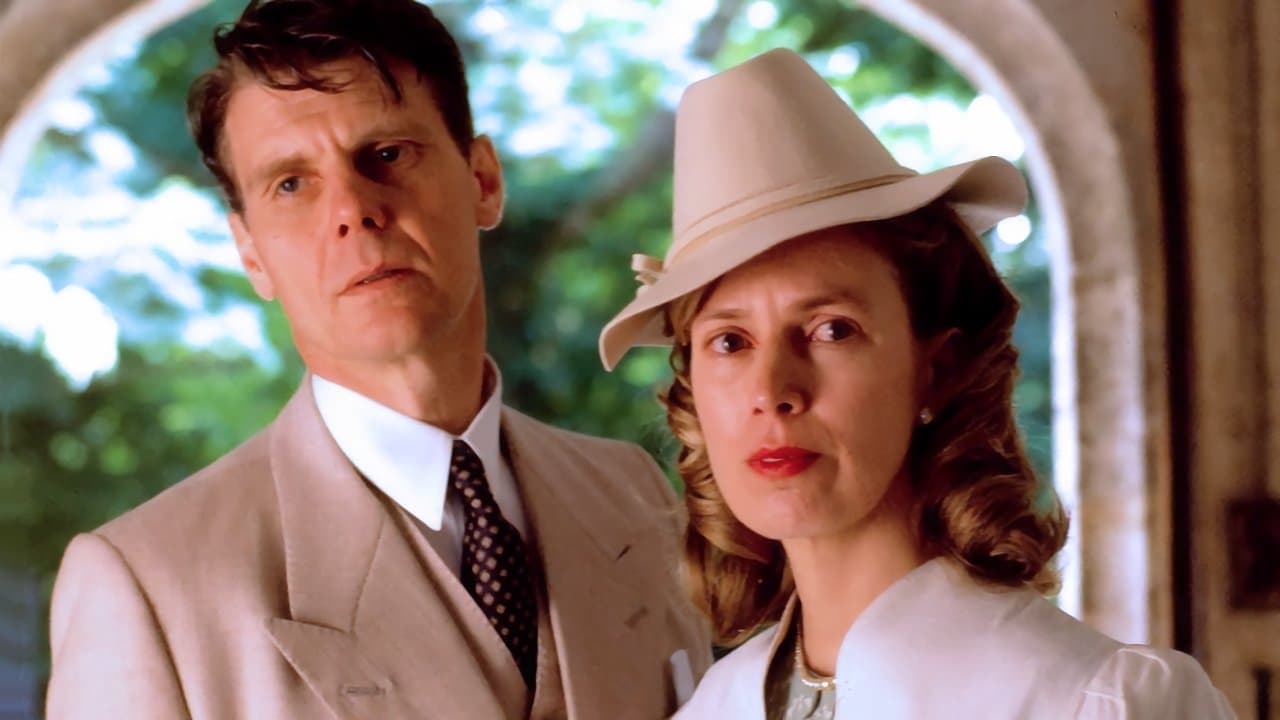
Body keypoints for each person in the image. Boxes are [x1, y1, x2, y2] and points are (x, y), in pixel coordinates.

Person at [45, 1, 711, 718]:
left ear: (483, 180)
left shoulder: (632, 496)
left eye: (387, 154)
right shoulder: (145, 587)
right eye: (291, 183)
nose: (353, 210)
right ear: (250, 253)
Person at [598, 48, 1236, 719]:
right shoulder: (709, 711)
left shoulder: (1097, 703)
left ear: (938, 369)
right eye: (730, 342)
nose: (772, 390)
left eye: (831, 330)